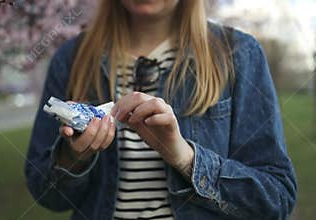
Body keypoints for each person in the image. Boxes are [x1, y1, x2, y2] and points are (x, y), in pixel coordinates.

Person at [25, 1, 297, 219]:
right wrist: (73, 157)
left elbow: (276, 199)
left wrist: (184, 157)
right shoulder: (72, 58)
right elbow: (47, 195)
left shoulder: (239, 54)